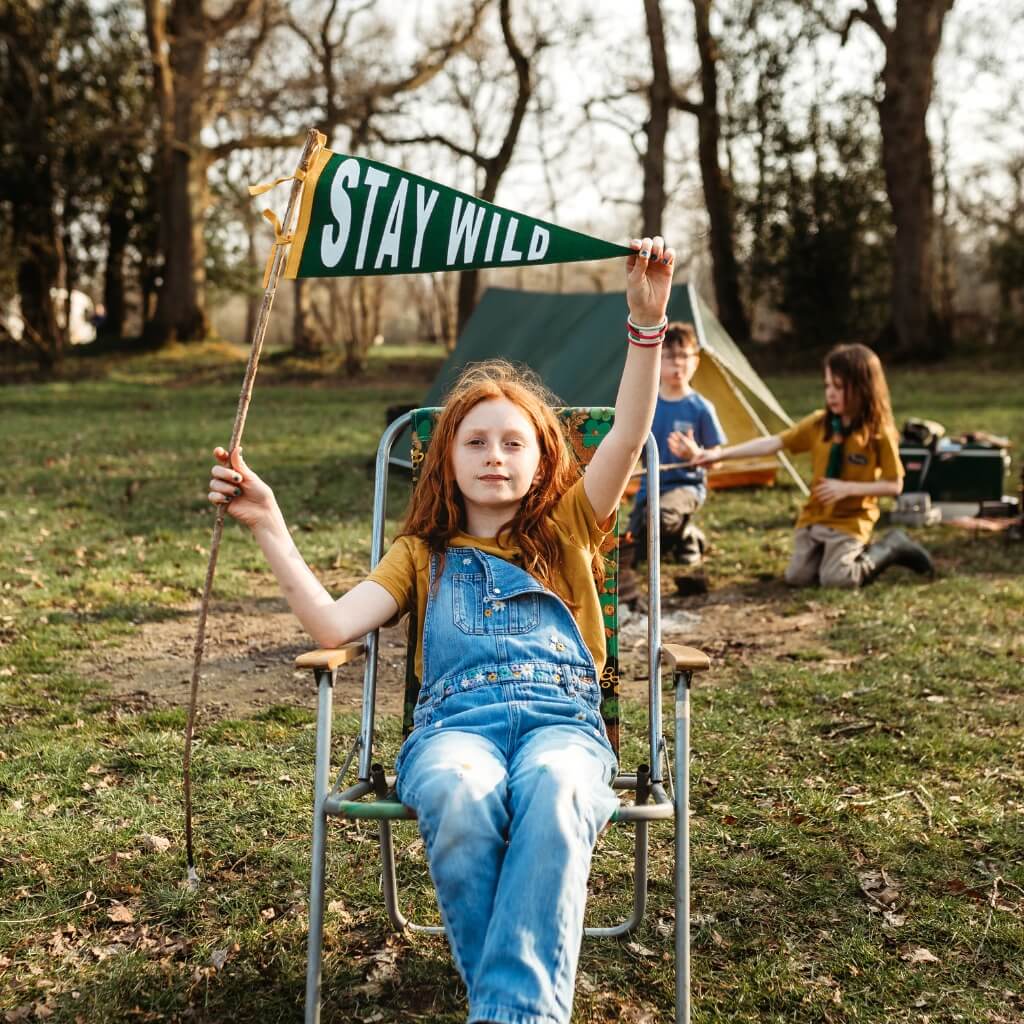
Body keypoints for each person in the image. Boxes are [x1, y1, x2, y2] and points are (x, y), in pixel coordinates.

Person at [207, 236, 677, 1024]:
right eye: (476, 441)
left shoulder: (568, 527)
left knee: (558, 789)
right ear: (446, 462)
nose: (495, 456)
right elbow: (330, 622)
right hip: (454, 729)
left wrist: (643, 325)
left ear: (543, 461)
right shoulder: (418, 555)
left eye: (514, 442)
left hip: (564, 723)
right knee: (462, 795)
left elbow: (627, 436)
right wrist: (268, 523)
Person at [690, 343, 934, 588]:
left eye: (839, 387)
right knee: (797, 578)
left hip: (850, 521)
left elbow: (894, 485)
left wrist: (847, 488)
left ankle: (892, 545)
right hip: (815, 518)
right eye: (828, 386)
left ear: (863, 388)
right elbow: (775, 443)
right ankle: (828, 557)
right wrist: (721, 454)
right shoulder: (821, 424)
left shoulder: (878, 434)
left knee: (838, 579)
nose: (831, 394)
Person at [619, 321, 726, 607]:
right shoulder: (648, 404)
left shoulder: (701, 408)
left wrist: (696, 455)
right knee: (637, 546)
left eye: (684, 357)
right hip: (649, 490)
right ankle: (676, 540)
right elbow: (631, 448)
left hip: (685, 488)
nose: (676, 365)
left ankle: (688, 536)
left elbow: (717, 458)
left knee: (663, 517)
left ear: (696, 362)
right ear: (657, 360)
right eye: (668, 357)